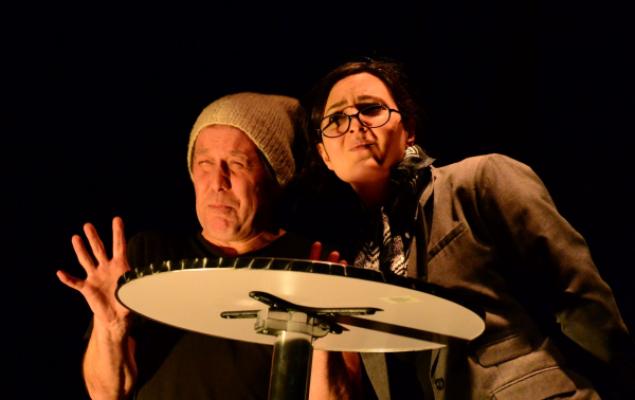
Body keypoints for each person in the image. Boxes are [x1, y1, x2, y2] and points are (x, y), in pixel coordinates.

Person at [293, 58, 635, 399]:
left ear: (408, 129)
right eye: (336, 119)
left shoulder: (479, 181)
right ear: (325, 156)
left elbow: (580, 298)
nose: (355, 125)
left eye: (370, 109)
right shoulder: (358, 263)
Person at [56, 92, 342, 399]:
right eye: (205, 163)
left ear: (275, 177)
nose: (218, 181)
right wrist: (111, 327)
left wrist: (322, 332)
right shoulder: (149, 256)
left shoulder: (312, 266)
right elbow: (107, 393)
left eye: (237, 164)